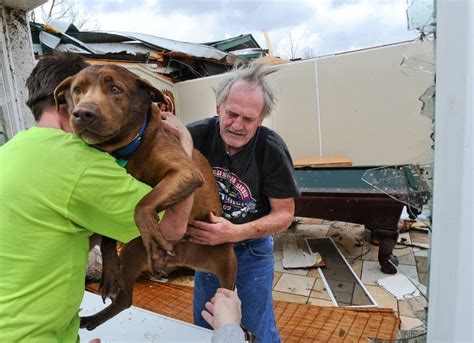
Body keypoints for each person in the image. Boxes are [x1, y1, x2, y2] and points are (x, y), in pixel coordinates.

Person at [0, 52, 194, 342]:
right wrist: (184, 146)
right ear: (66, 101)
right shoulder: (79, 163)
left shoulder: (10, 150)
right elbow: (173, 227)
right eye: (83, 91)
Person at [186, 63, 300, 342]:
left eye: (248, 119)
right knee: (207, 320)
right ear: (218, 108)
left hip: (252, 250)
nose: (237, 125)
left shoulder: (271, 150)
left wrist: (235, 232)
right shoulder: (194, 136)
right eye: (231, 114)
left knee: (257, 327)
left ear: (260, 119)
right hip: (207, 248)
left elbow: (284, 214)